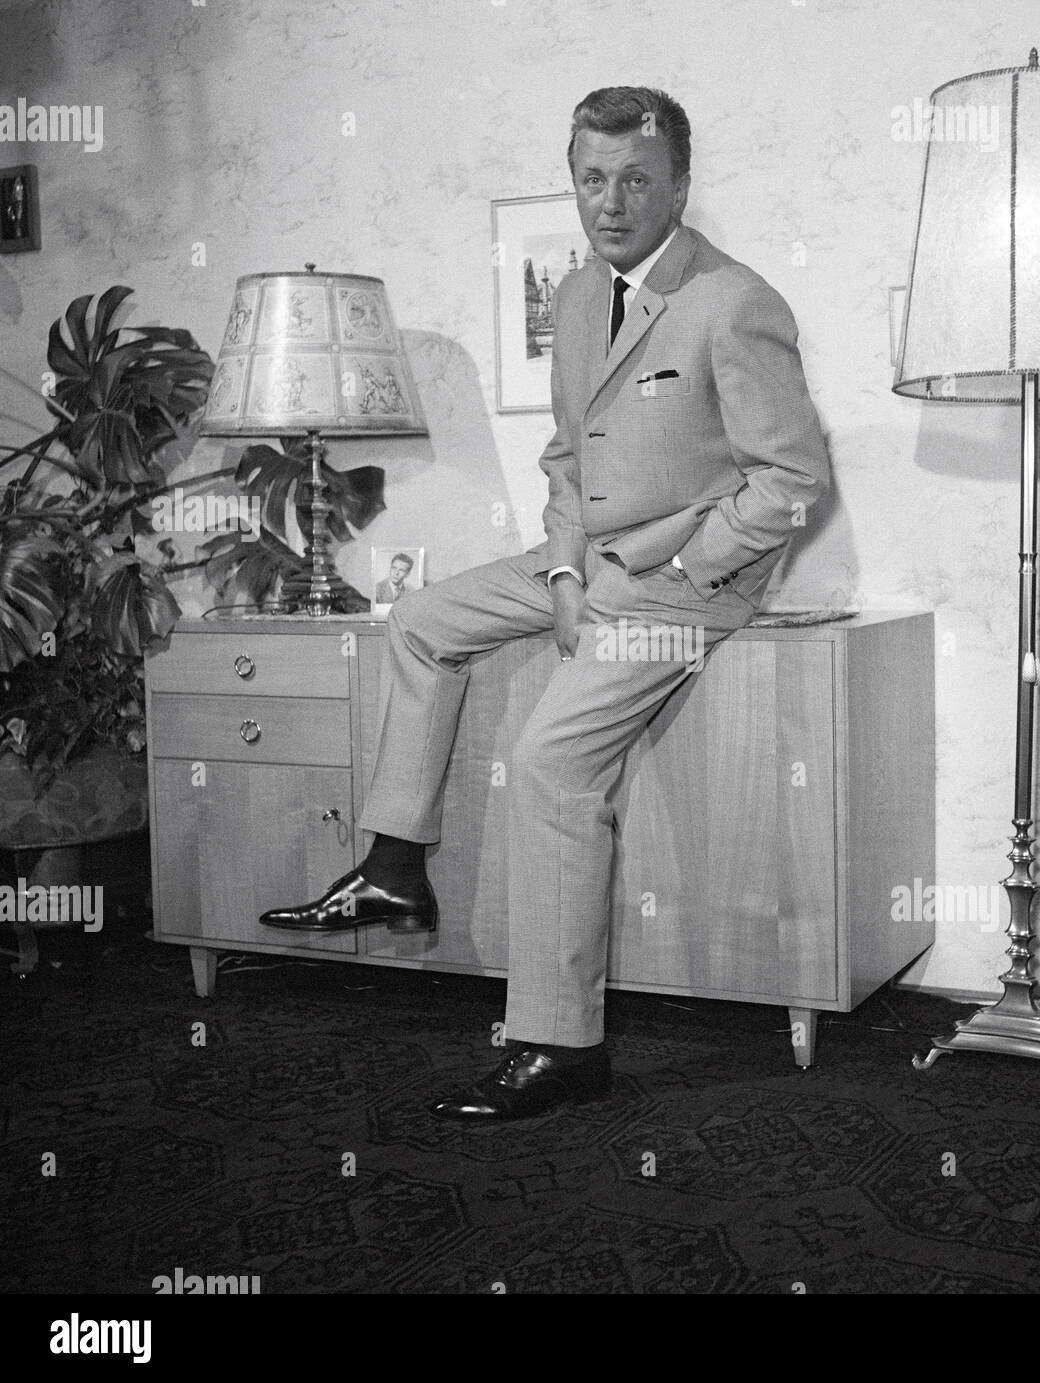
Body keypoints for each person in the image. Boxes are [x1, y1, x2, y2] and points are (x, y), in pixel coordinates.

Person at [260, 87, 829, 1120]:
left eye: (635, 180)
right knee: (419, 621)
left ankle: (561, 1044)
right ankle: (395, 864)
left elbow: (788, 484)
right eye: (591, 179)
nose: (610, 203)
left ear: (679, 185)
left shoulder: (734, 301)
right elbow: (566, 457)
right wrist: (565, 573)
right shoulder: (574, 295)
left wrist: (685, 571)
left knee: (549, 760)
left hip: (684, 586)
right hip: (584, 558)